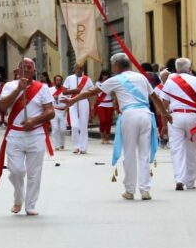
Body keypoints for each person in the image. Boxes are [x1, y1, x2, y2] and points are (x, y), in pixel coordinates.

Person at [70, 53, 167, 201]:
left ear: (116, 66)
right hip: (146, 114)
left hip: (129, 115)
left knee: (129, 153)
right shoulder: (141, 77)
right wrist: (166, 115)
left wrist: (73, 100)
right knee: (143, 154)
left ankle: (129, 190)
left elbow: (92, 92)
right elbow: (155, 98)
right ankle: (145, 189)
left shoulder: (114, 80)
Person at [0, 58, 55, 215]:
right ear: (17, 71)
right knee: (16, 170)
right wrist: (18, 90)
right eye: (23, 67)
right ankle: (18, 198)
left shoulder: (42, 88)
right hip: (15, 134)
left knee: (34, 172)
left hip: (35, 134)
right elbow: (3, 106)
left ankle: (30, 205)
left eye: (29, 68)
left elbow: (50, 111)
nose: (26, 70)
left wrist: (34, 121)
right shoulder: (9, 86)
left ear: (33, 71)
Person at [159, 58, 196, 190]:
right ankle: (191, 182)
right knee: (191, 149)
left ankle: (179, 179)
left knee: (177, 149)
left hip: (175, 116)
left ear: (176, 68)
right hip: (193, 116)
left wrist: (164, 123)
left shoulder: (169, 81)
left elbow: (164, 103)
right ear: (190, 67)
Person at [63, 64, 94, 154]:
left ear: (83, 69)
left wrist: (91, 105)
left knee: (84, 125)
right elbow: (64, 92)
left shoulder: (87, 79)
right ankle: (76, 146)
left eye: (81, 68)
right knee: (75, 125)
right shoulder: (69, 78)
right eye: (77, 68)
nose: (79, 70)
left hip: (83, 101)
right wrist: (73, 91)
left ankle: (83, 147)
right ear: (74, 69)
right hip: (72, 101)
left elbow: (92, 92)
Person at [93, 70, 116, 145]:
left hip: (109, 104)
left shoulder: (111, 83)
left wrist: (115, 103)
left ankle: (107, 138)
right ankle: (102, 137)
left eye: (106, 75)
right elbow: (95, 93)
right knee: (103, 120)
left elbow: (113, 94)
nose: (105, 76)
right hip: (101, 104)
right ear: (101, 75)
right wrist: (94, 104)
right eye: (103, 75)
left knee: (109, 122)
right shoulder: (98, 83)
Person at [50, 74, 69, 150]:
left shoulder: (65, 90)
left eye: (59, 80)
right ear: (54, 81)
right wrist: (53, 98)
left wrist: (67, 107)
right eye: (56, 80)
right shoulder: (50, 89)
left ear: (62, 81)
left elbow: (69, 100)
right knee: (55, 128)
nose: (58, 81)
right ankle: (56, 145)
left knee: (62, 129)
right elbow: (47, 100)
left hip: (63, 111)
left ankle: (62, 143)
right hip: (54, 110)